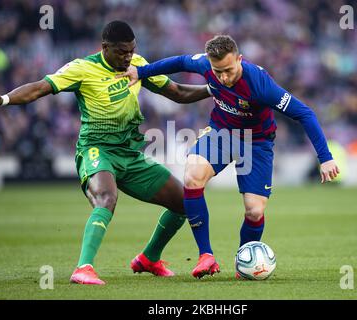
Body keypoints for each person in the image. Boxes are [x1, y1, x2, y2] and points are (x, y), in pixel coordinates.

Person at [0, 21, 211, 285]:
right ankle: (83, 268)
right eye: (121, 51)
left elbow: (177, 92)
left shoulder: (137, 66)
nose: (127, 57)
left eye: (131, 50)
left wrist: (214, 89)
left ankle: (149, 258)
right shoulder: (82, 68)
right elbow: (41, 87)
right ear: (105, 48)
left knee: (184, 203)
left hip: (130, 154)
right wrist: (5, 99)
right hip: (96, 150)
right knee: (107, 198)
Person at [123, 35, 339, 279]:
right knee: (192, 176)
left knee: (254, 211)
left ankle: (243, 262)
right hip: (221, 133)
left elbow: (304, 113)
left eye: (228, 70)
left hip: (256, 142)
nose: (223, 77)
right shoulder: (206, 65)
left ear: (239, 59)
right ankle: (206, 255)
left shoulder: (260, 84)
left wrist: (326, 157)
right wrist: (141, 72)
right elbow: (181, 61)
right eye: (218, 72)